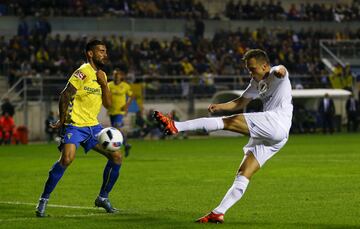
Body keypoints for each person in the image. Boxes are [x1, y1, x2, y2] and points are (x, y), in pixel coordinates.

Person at [153, 49, 292, 224]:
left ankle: (176, 126)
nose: (250, 72)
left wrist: (279, 71)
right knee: (243, 172)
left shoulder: (276, 73)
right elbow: (240, 102)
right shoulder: (256, 82)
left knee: (228, 122)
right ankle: (218, 213)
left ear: (264, 66)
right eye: (248, 69)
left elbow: (281, 70)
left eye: (253, 68)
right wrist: (220, 106)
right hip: (277, 136)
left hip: (276, 121)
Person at [35, 40, 123, 217]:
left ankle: (103, 198)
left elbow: (108, 104)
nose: (105, 54)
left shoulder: (103, 75)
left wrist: (104, 84)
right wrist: (62, 120)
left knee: (117, 157)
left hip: (93, 126)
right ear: (90, 53)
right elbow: (65, 94)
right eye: (101, 51)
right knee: (67, 159)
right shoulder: (82, 72)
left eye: (106, 51)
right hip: (75, 125)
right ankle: (43, 200)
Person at [107, 67, 135, 157]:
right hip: (112, 110)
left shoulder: (125, 86)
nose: (116, 76)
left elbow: (131, 96)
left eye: (117, 75)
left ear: (121, 76)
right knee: (115, 130)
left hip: (120, 111)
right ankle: (120, 146)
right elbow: (105, 95)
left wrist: (127, 106)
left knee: (117, 126)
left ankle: (125, 144)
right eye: (114, 74)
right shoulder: (109, 85)